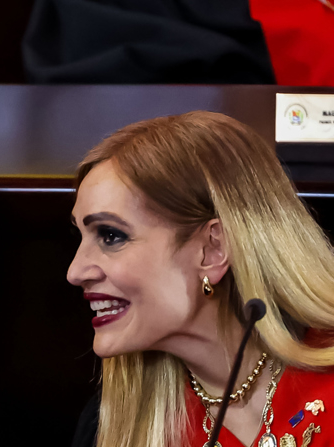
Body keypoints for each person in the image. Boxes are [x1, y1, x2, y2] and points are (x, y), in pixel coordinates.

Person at [66, 111, 334, 447]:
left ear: (212, 250)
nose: (75, 272)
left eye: (111, 235)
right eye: (80, 236)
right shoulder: (108, 426)